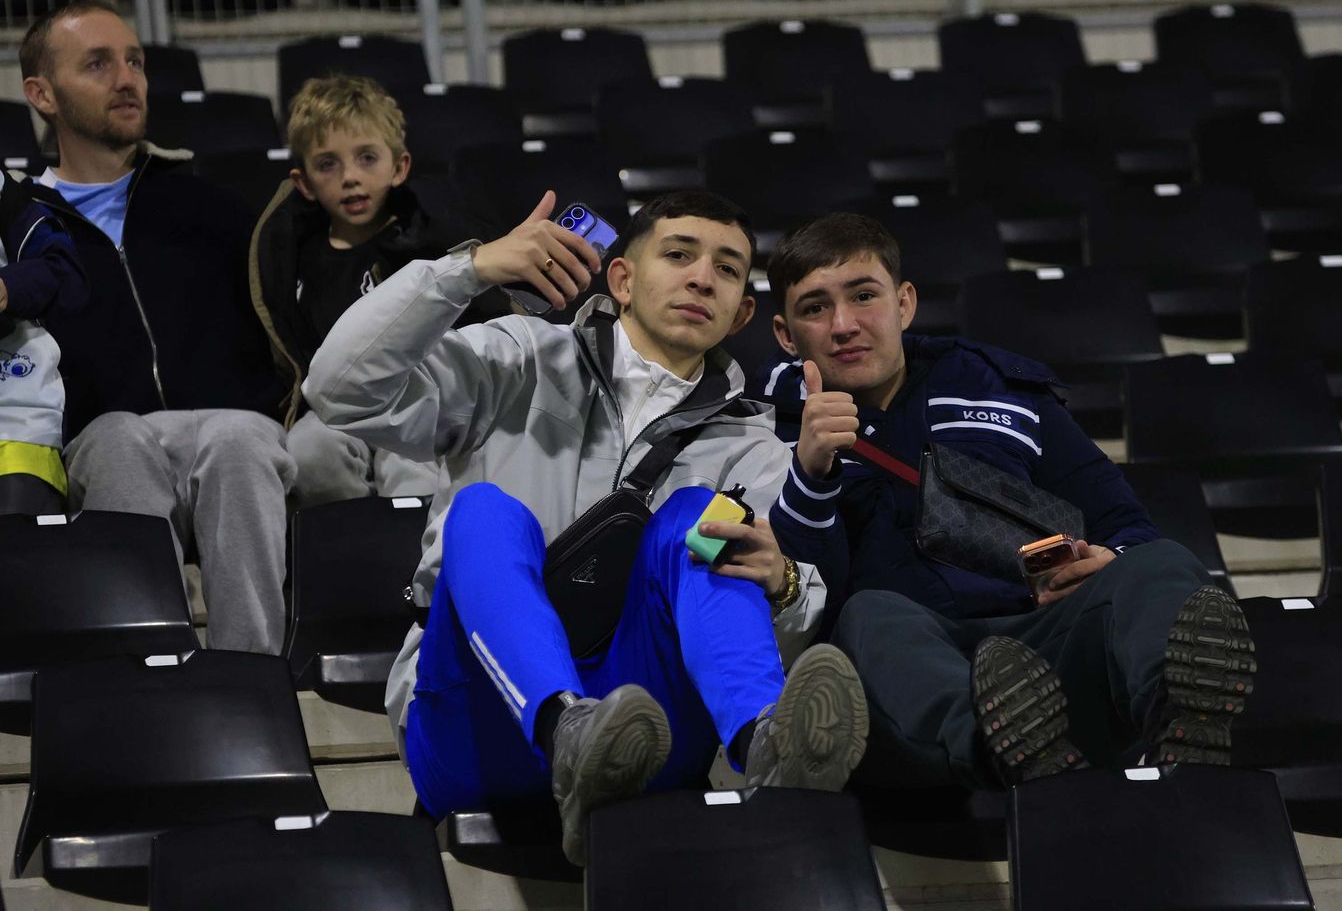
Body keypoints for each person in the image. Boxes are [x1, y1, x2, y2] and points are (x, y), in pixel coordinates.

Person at [303, 189, 868, 866]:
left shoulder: (756, 448)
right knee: (484, 512)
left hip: (647, 734)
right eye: (680, 255)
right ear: (622, 279)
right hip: (486, 723)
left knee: (701, 520)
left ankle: (767, 750)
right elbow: (338, 388)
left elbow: (786, 627)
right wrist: (470, 270)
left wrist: (783, 586)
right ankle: (564, 725)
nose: (700, 277)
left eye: (725, 269)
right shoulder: (512, 358)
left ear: (741, 312)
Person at [758, 212, 1256, 790]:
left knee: (1158, 561)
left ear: (905, 303)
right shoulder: (760, 427)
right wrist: (812, 472)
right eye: (815, 308)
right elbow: (798, 598)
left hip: (1041, 639)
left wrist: (1110, 556)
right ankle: (1000, 747)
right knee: (867, 614)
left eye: (864, 295)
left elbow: (1123, 520)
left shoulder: (997, 386)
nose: (844, 324)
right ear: (785, 335)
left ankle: (1179, 727)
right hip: (903, 678)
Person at [19, 0, 293, 653]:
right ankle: (149, 673)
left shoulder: (208, 205)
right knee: (116, 439)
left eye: (135, 61)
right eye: (98, 64)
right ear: (42, 94)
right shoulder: (24, 223)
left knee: (239, 437)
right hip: (100, 436)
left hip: (231, 426)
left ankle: (252, 682)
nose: (127, 78)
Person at [252, 73, 497, 506]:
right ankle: (356, 554)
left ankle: (411, 563)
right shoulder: (290, 257)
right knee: (309, 451)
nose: (350, 177)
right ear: (303, 182)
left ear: (399, 167)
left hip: (415, 401)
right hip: (333, 412)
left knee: (410, 464)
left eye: (367, 157)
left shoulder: (427, 245)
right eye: (328, 164)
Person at [0, 169, 89, 515]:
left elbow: (65, 273)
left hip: (15, 431)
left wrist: (9, 288)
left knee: (20, 566)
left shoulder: (5, 194)